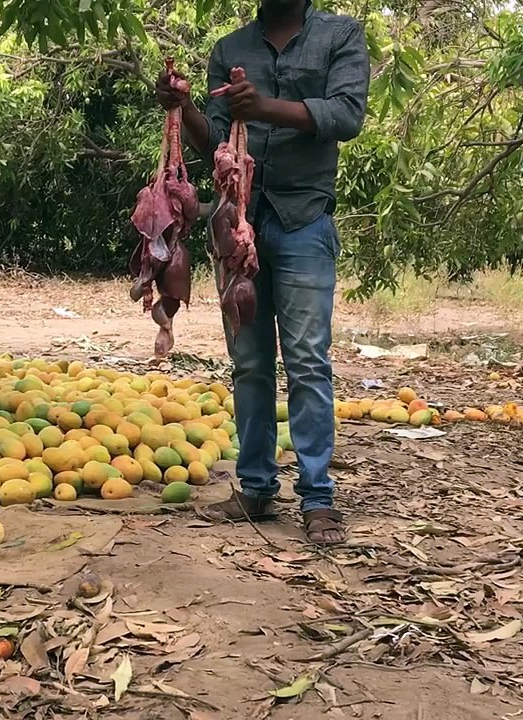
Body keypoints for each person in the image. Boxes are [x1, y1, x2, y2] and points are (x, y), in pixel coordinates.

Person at [155, 0, 368, 545]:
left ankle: (317, 498)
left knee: (307, 361)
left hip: (304, 219)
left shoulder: (340, 36)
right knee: (249, 362)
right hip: (237, 220)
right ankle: (255, 487)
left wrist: (264, 107)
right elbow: (214, 142)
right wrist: (184, 107)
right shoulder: (230, 48)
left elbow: (347, 116)